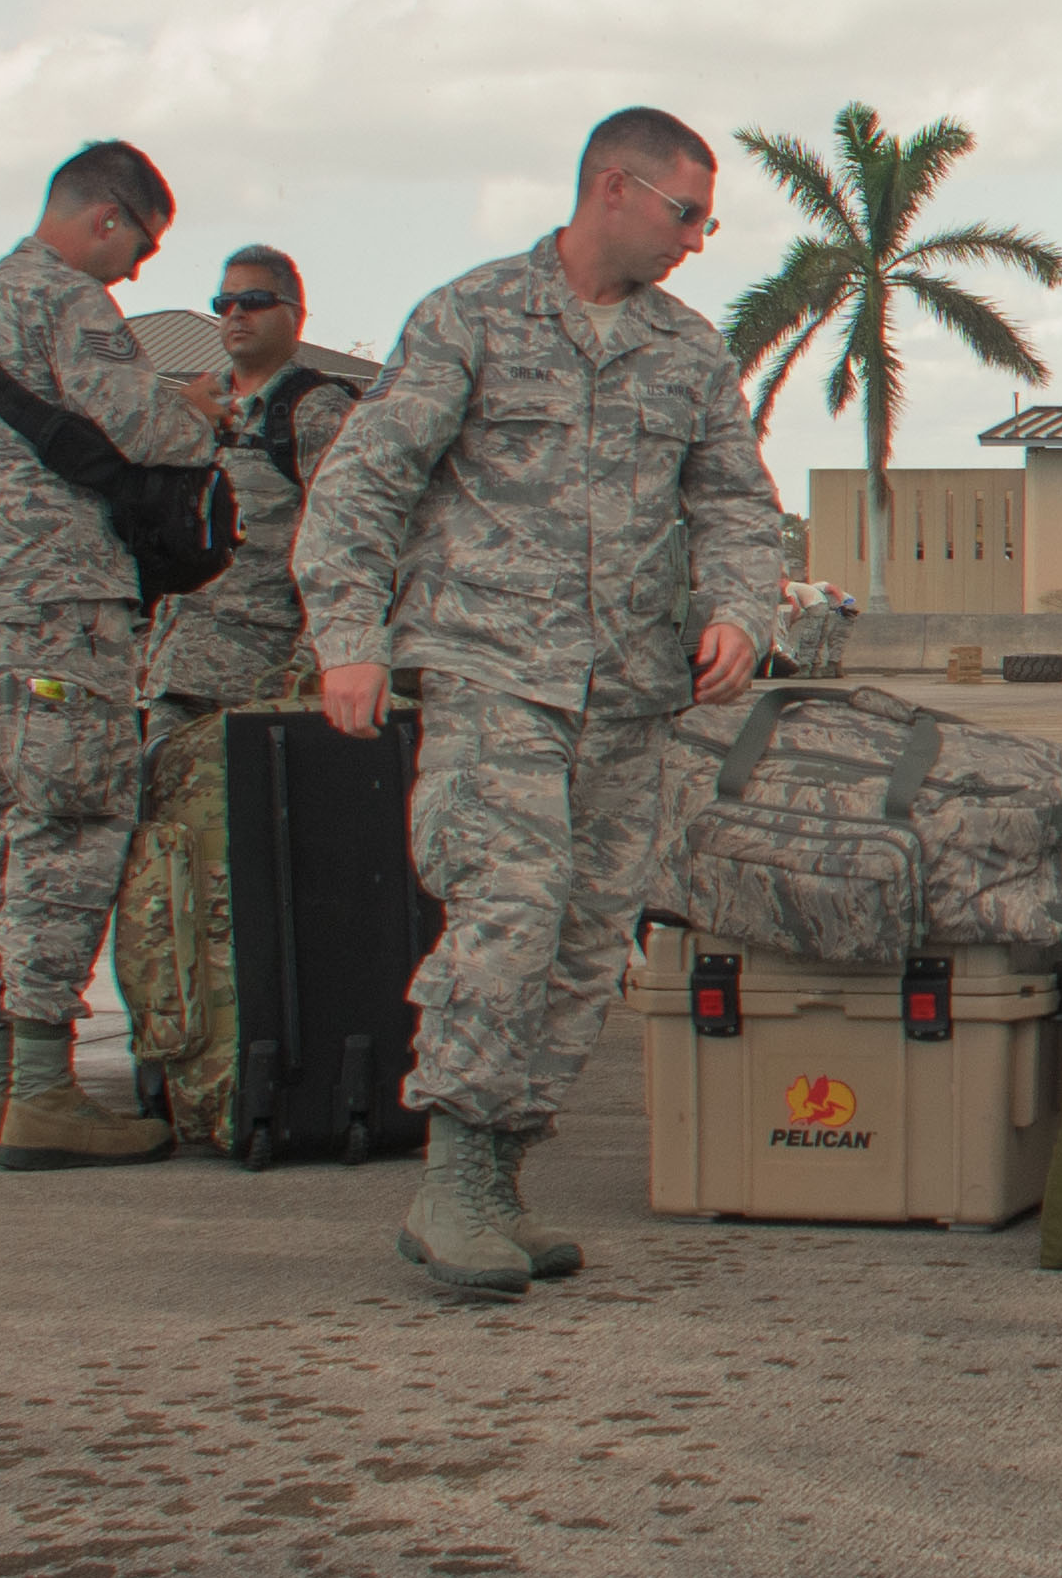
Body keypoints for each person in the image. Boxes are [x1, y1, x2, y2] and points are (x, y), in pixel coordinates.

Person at [297, 111, 794, 1301]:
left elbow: (734, 498)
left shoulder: (685, 350)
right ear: (613, 189)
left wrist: (737, 608)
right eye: (687, 213)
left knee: (581, 945)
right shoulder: (471, 314)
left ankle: (501, 1176)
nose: (697, 240)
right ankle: (453, 1178)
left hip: (628, 689)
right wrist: (350, 640)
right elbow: (365, 480)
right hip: (494, 670)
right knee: (510, 914)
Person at [0, 141, 222, 1170]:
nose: (139, 271)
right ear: (106, 219)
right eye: (142, 244)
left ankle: (1, 1084)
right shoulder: (69, 302)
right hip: (54, 606)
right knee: (73, 819)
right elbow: (149, 433)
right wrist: (196, 410)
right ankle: (47, 1090)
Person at [140, 246, 357, 731]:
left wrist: (307, 676)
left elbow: (351, 548)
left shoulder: (318, 413)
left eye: (255, 300)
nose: (236, 313)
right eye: (225, 303)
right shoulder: (193, 405)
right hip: (173, 677)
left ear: (295, 315)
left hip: (263, 688)